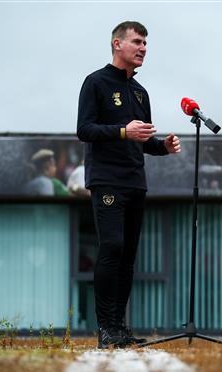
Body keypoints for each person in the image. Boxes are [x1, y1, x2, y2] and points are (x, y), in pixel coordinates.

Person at [77, 21, 181, 349]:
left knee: (128, 258)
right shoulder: (95, 83)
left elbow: (142, 140)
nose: (143, 48)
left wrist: (161, 146)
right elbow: (85, 129)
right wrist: (123, 130)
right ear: (117, 44)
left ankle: (120, 329)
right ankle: (105, 328)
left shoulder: (140, 92)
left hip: (136, 183)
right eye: (137, 42)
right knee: (111, 249)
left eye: (146, 44)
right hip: (107, 180)